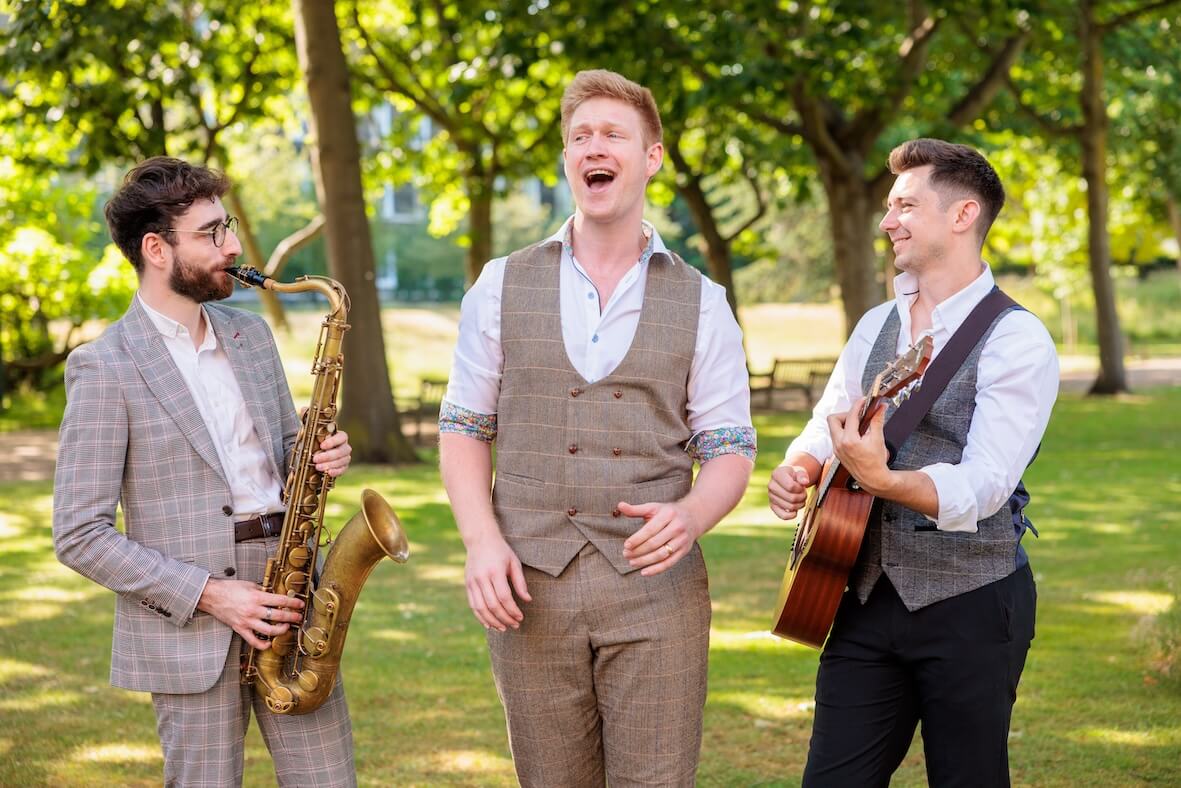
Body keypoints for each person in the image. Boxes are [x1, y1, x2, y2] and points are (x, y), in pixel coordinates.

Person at [438, 69, 756, 787]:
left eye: (613, 134)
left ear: (651, 157)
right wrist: (481, 542)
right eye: (580, 137)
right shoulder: (499, 283)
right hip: (527, 586)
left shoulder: (703, 300)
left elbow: (730, 447)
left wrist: (692, 515)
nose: (594, 148)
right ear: (567, 160)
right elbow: (463, 426)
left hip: (656, 591)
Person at [53, 157, 357, 787]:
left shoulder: (251, 337)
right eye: (212, 233)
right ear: (156, 248)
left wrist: (318, 458)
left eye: (229, 227)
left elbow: (286, 453)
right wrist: (211, 594)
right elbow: (79, 534)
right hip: (191, 614)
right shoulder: (104, 366)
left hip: (291, 591)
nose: (234, 246)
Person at [768, 138, 1059, 786]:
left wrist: (883, 480)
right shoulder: (876, 322)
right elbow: (829, 419)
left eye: (904, 205)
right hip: (861, 592)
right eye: (887, 207)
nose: (886, 221)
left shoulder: (1017, 338)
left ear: (962, 215)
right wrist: (800, 467)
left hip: (970, 600)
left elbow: (986, 483)